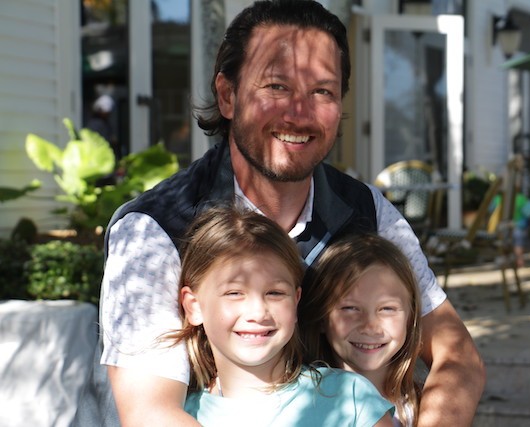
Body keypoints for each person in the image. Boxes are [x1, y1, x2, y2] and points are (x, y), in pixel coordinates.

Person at [74, 1, 485, 426]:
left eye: (322, 91)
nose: (299, 113)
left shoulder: (365, 210)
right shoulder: (155, 230)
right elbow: (152, 413)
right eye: (276, 86)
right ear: (227, 95)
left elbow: (457, 354)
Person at [169, 206, 394, 426]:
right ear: (194, 307)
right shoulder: (177, 414)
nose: (258, 313)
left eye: (275, 293)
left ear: (295, 301)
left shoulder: (350, 399)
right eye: (234, 293)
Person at [299, 232, 423, 427]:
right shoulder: (303, 407)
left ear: (410, 317)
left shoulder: (429, 407)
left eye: (387, 309)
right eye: (350, 308)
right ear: (322, 318)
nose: (370, 326)